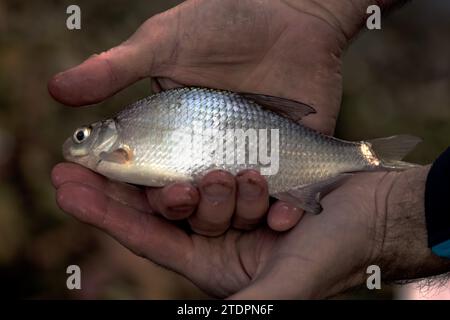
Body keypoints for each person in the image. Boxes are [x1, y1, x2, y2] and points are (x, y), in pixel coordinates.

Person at [48, 0, 450, 298]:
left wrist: (397, 217)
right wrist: (316, 11)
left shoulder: (122, 143)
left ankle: (367, 159)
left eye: (83, 137)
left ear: (105, 134)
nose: (77, 144)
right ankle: (370, 161)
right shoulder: (127, 137)